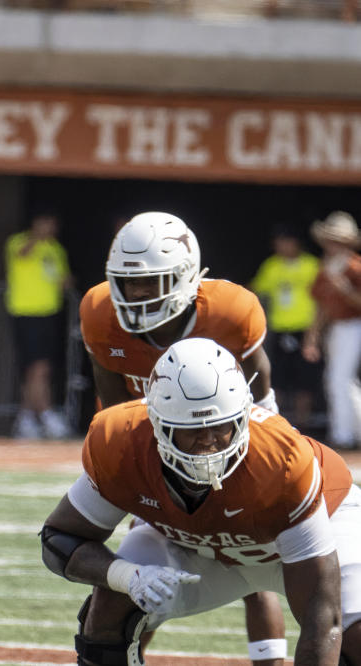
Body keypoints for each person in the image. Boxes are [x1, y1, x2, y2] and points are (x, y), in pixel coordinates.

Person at [41, 337, 361, 666]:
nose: (209, 441)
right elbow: (60, 539)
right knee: (111, 602)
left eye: (222, 426)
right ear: (158, 424)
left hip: (319, 525)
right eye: (190, 429)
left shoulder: (281, 462)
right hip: (201, 548)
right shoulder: (122, 443)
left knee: (354, 635)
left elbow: (323, 620)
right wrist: (126, 575)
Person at [78, 211, 288, 664]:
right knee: (137, 586)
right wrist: (139, 475)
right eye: (127, 282)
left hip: (230, 444)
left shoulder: (232, 312)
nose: (134, 295)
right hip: (156, 447)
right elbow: (116, 411)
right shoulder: (99, 312)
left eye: (150, 283)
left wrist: (253, 465)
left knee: (254, 563)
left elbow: (262, 397)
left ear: (186, 277)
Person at [4, 210, 74, 439]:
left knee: (38, 369)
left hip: (49, 313)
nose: (49, 228)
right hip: (25, 311)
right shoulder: (18, 242)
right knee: (38, 368)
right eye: (45, 223)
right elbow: (22, 255)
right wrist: (36, 237)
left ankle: (26, 418)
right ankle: (46, 414)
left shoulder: (56, 249)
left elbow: (63, 280)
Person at [249, 225, 322, 431]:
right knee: (277, 377)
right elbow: (254, 290)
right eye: (278, 242)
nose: (282, 246)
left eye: (287, 241)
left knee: (304, 379)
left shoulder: (312, 266)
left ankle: (303, 424)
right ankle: (275, 426)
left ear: (297, 243)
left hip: (306, 329)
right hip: (280, 329)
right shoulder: (271, 266)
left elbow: (322, 301)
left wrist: (315, 335)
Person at [303, 211, 361, 450]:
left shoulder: (355, 267)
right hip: (336, 328)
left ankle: (345, 435)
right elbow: (322, 307)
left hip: (354, 326)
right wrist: (313, 337)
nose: (332, 244)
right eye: (330, 238)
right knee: (339, 382)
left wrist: (346, 290)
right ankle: (347, 432)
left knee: (340, 380)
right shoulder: (325, 268)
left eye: (337, 239)